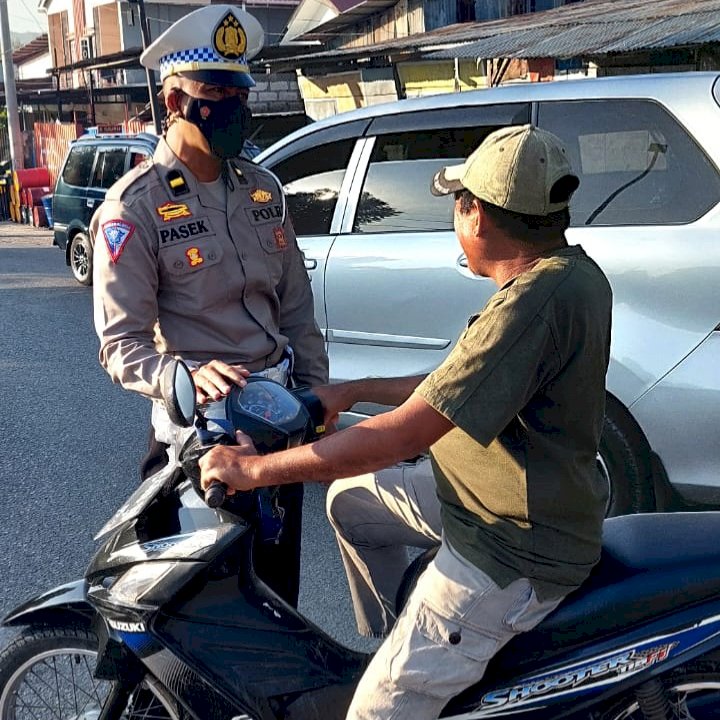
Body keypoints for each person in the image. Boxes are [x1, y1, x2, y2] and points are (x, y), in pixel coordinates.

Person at [199, 124, 613, 719]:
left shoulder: (528, 307)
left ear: (476, 216)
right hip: (487, 497)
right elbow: (449, 388)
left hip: (509, 546)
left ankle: (425, 670)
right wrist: (352, 391)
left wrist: (253, 469)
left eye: (456, 203)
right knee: (352, 504)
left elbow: (401, 437)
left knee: (373, 714)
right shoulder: (566, 274)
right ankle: (408, 644)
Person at [90, 4, 328, 608]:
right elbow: (122, 345)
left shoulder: (260, 187)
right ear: (175, 103)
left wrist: (316, 395)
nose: (235, 108)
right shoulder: (133, 209)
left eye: (238, 91)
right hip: (200, 439)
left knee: (276, 592)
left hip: (278, 421)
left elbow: (295, 307)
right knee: (195, 611)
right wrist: (184, 378)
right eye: (216, 93)